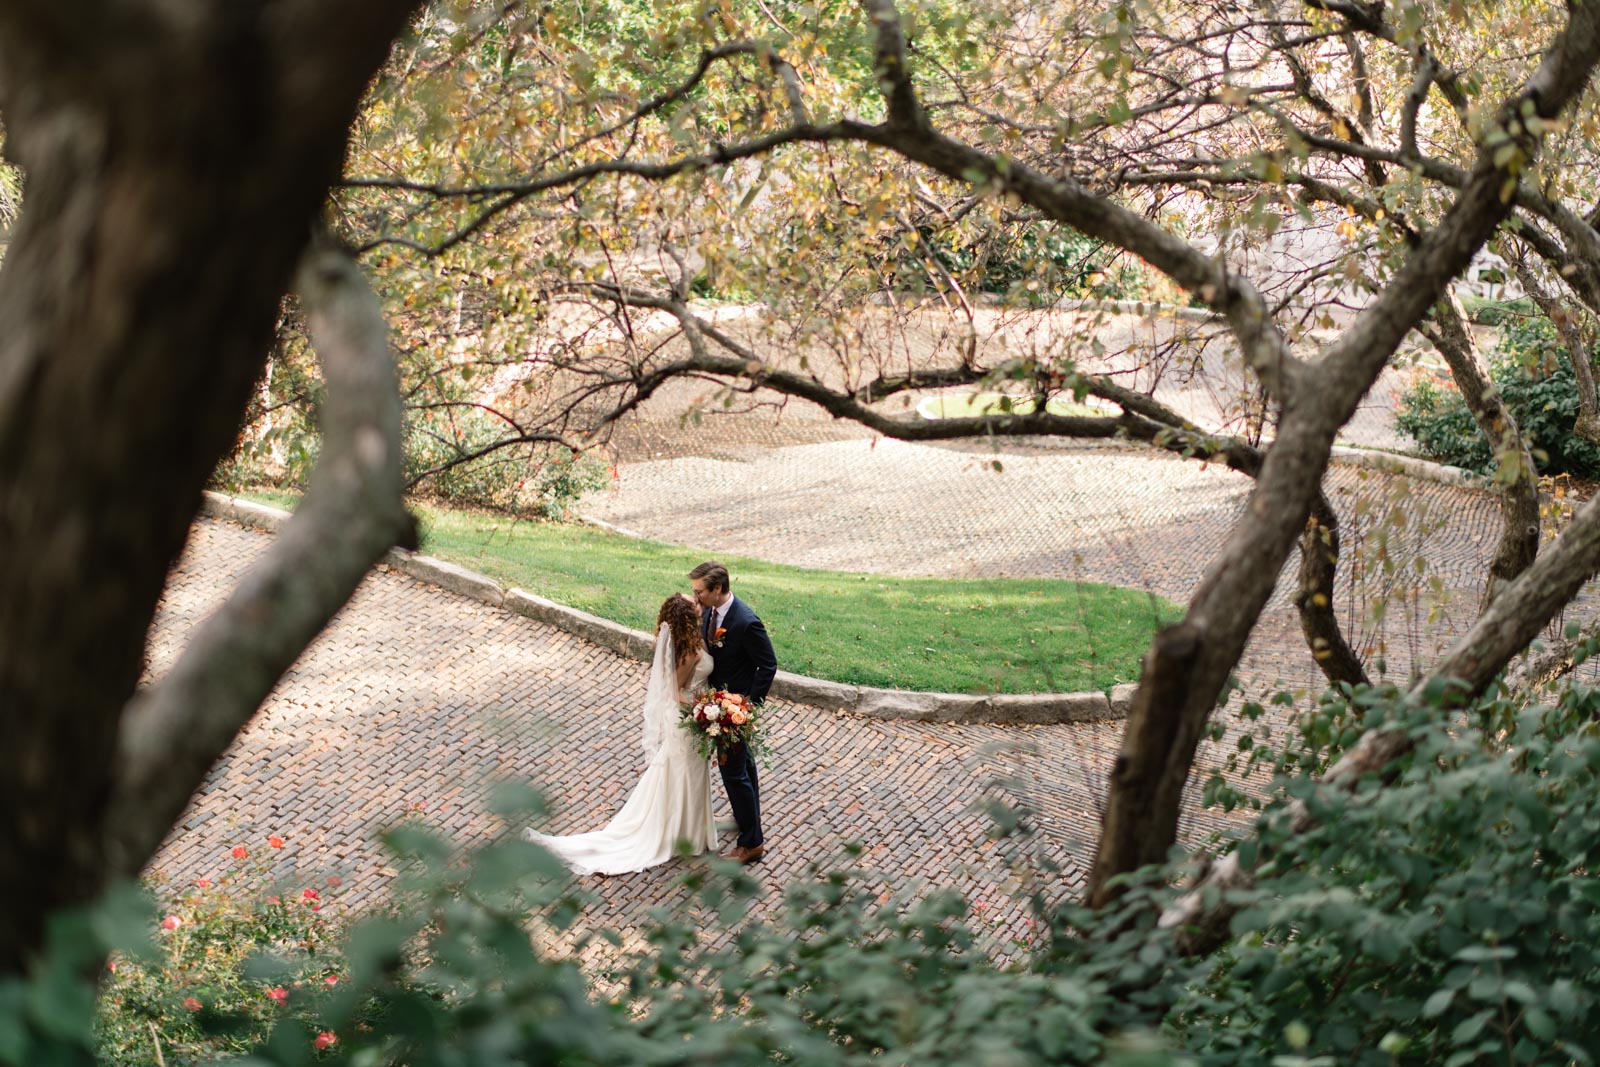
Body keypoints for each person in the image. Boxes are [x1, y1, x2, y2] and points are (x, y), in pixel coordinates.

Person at [524, 594, 715, 875]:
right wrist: (705, 707)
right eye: (694, 604)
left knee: (689, 772)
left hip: (695, 719)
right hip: (688, 720)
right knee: (686, 773)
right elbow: (673, 692)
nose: (699, 604)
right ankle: (679, 833)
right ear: (687, 617)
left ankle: (691, 830)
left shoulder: (694, 642)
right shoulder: (690, 653)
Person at [689, 560, 777, 865]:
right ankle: (747, 821)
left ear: (716, 589)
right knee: (745, 769)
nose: (695, 597)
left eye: (699, 591)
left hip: (733, 712)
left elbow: (768, 665)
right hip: (718, 706)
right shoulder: (709, 612)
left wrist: (748, 706)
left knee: (734, 774)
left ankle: (751, 844)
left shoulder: (746, 621)